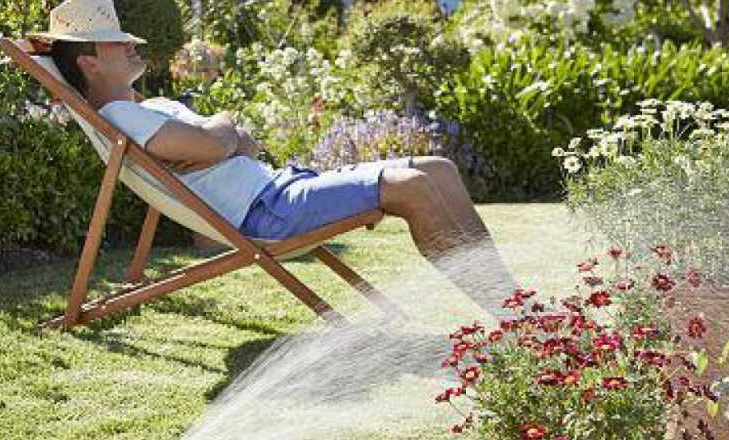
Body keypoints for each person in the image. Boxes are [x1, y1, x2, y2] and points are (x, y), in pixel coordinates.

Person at [29, 0, 519, 317]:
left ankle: (513, 303)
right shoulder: (122, 116)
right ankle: (513, 316)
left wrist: (219, 138)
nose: (131, 46)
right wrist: (220, 131)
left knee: (438, 168)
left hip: (280, 188)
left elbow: (239, 143)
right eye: (116, 42)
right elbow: (220, 142)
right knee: (413, 186)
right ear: (90, 62)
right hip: (270, 211)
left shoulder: (146, 111)